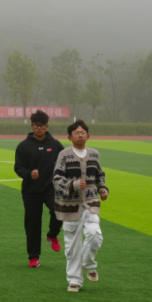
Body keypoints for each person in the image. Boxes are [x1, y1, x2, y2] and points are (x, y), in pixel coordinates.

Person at [52, 120, 109, 293]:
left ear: (88, 136)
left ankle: (88, 263)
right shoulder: (64, 155)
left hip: (91, 203)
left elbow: (100, 175)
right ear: (70, 137)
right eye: (76, 133)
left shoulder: (94, 154)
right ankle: (74, 280)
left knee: (95, 234)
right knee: (72, 246)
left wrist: (103, 189)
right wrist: (74, 185)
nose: (80, 135)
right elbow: (57, 179)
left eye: (83, 132)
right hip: (69, 206)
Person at [13, 110, 65, 268]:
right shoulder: (23, 146)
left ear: (47, 126)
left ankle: (52, 235)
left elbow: (65, 163)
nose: (39, 128)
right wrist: (29, 174)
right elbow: (18, 168)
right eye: (36, 125)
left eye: (42, 125)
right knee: (32, 224)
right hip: (30, 191)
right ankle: (34, 258)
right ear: (32, 126)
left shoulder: (55, 145)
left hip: (51, 188)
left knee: (58, 209)